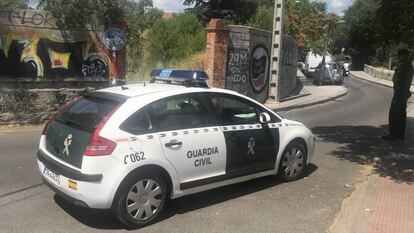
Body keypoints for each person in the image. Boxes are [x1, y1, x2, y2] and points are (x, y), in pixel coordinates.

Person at [382, 49, 414, 141]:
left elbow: (400, 80)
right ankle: (399, 135)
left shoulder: (406, 67)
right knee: (400, 115)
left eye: (401, 56)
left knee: (394, 115)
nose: (399, 57)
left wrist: (396, 74)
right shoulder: (406, 66)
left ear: (405, 56)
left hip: (400, 93)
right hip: (401, 93)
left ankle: (394, 135)